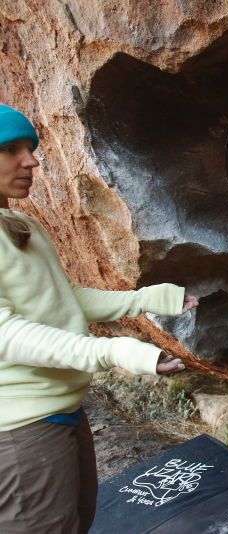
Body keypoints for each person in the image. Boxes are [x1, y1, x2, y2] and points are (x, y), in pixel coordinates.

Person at [0, 104, 198, 533]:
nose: (31, 160)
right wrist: (114, 351)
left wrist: (147, 299)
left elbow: (62, 299)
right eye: (10, 149)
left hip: (60, 409)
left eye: (30, 148)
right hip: (18, 429)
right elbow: (5, 333)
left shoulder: (19, 224)